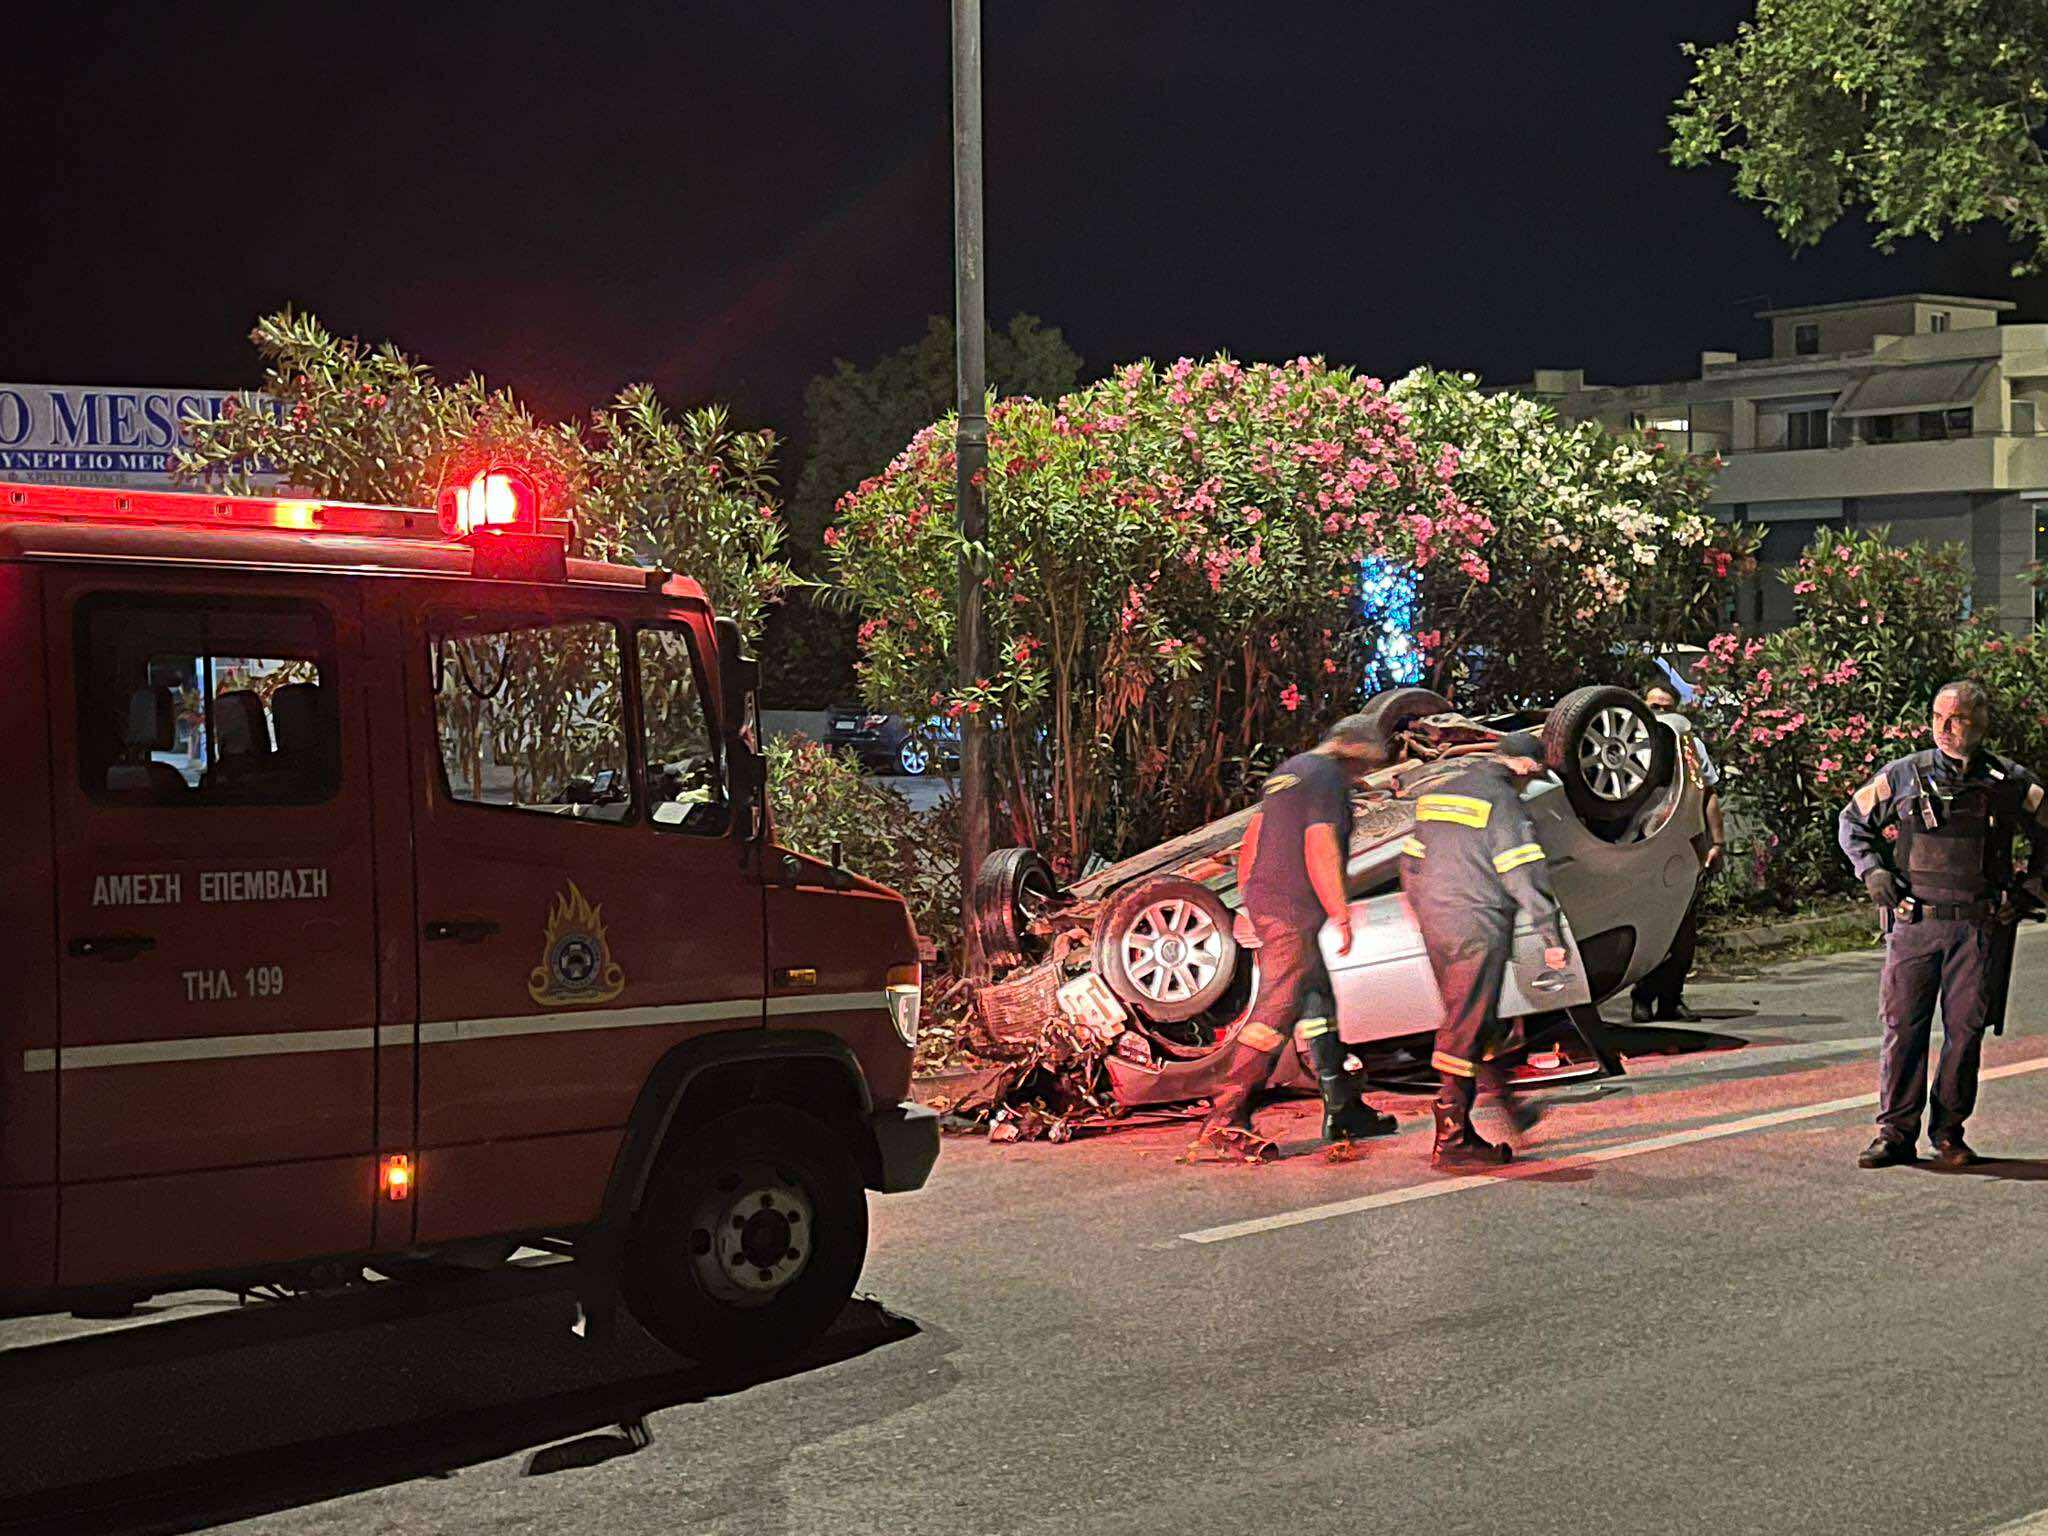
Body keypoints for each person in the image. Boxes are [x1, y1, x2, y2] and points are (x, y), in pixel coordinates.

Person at [1837, 679, 2048, 1169]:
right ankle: (1894, 1134)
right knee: (1902, 1029)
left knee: (1965, 1033)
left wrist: (2030, 891)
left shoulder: (2009, 783)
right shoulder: (1904, 775)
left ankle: (1949, 1133)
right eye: (1938, 717)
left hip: (1978, 930)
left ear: (1982, 723)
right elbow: (1853, 822)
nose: (1946, 728)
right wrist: (1872, 871)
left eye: (1959, 719)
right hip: (1914, 925)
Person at [1185, 712, 1401, 1162]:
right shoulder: (1328, 778)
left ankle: (1343, 1109)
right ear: (1356, 755)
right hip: (1293, 910)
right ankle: (1225, 1116)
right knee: (1277, 1010)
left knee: (1318, 1002)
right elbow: (1320, 844)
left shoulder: (1290, 772)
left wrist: (1254, 899)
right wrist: (1340, 911)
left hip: (1273, 903)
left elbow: (1254, 838)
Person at [1400, 731, 1570, 1168]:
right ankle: (1453, 1141)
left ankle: (1510, 1107)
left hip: (1437, 921)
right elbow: (1522, 872)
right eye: (1533, 777)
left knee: (1479, 1017)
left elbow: (1411, 862)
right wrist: (1551, 936)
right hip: (1478, 924)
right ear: (1526, 767)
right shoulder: (1504, 802)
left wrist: (1426, 911)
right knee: (1465, 1025)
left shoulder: (1441, 793)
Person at [1629, 682, 1727, 1023]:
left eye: (1666, 708)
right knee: (1649, 927)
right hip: (1641, 847)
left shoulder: (1690, 747)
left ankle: (1671, 999)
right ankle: (1643, 997)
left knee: (1683, 931)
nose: (1660, 714)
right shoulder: (1631, 743)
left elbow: (1707, 793)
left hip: (1684, 846)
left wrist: (1717, 843)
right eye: (1653, 707)